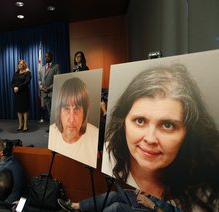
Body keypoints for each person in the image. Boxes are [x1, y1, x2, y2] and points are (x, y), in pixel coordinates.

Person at [59, 65, 219, 211]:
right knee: (114, 196)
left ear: (187, 133)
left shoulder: (203, 196)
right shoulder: (113, 153)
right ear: (124, 123)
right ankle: (76, 206)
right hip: (143, 198)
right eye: (140, 121)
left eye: (167, 125)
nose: (150, 139)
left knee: (115, 208)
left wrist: (153, 205)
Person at [49, 77, 99, 168]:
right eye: (67, 109)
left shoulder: (96, 136)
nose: (71, 120)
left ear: (84, 112)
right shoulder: (52, 133)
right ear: (59, 111)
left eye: (76, 109)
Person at [38, 51, 61, 129]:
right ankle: (52, 126)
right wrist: (41, 87)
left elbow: (58, 79)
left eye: (48, 56)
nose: (46, 58)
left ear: (51, 57)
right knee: (49, 111)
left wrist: (49, 88)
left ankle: (57, 126)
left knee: (55, 111)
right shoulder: (42, 68)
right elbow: (39, 80)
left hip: (52, 92)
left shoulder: (56, 66)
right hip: (44, 93)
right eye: (45, 56)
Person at [11, 59, 31, 132]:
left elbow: (27, 82)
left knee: (24, 109)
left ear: (24, 65)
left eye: (22, 64)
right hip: (17, 93)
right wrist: (14, 87)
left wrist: (18, 87)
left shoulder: (27, 73)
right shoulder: (16, 73)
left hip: (24, 92)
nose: (20, 65)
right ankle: (20, 125)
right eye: (19, 64)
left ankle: (25, 125)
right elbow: (12, 82)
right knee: (18, 109)